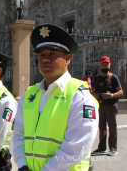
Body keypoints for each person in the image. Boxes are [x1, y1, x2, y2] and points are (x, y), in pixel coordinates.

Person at [13, 24, 99, 171]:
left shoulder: (80, 96)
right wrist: (22, 165)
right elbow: (19, 134)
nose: (45, 59)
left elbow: (76, 148)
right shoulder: (30, 94)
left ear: (68, 59)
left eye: (52, 54)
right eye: (41, 55)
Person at [92, 56, 124, 156]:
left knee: (112, 128)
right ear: (100, 65)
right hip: (100, 106)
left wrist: (111, 95)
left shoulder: (113, 77)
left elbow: (121, 91)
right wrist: (94, 95)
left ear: (109, 65)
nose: (105, 66)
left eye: (106, 64)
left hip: (111, 106)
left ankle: (113, 148)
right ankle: (101, 148)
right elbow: (92, 91)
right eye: (103, 64)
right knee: (101, 128)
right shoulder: (96, 78)